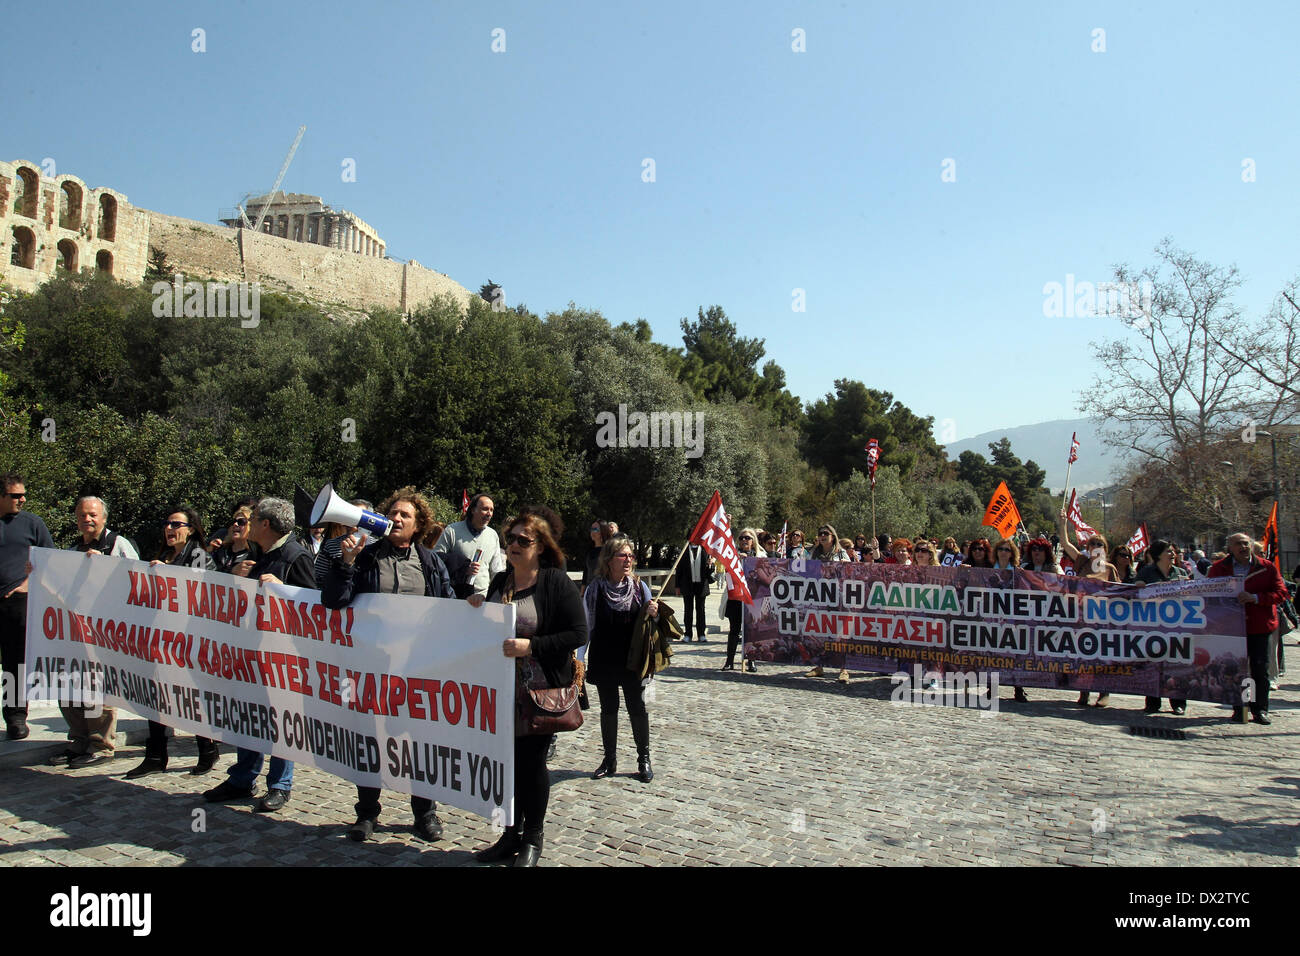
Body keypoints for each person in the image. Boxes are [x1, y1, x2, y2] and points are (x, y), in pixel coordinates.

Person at [322, 487, 454, 841]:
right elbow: (333, 600)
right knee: (371, 740)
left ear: (418, 525)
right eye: (392, 513)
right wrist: (346, 563)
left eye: (405, 516)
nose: (397, 519)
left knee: (419, 743)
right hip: (372, 668)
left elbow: (448, 607)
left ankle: (424, 813)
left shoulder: (430, 562)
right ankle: (366, 814)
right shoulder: (365, 557)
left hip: (416, 669)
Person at [469, 508, 587, 866]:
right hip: (500, 690)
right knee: (507, 764)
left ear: (540, 546)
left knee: (532, 763)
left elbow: (578, 633)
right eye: (511, 539)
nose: (515, 545)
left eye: (524, 540)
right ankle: (509, 835)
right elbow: (484, 630)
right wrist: (475, 606)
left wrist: (531, 646)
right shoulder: (500, 581)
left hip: (538, 692)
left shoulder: (554, 582)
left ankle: (533, 838)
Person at [203, 497, 316, 812]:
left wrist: (284, 589)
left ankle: (280, 784)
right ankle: (242, 778)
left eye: (252, 519)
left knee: (281, 720)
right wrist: (233, 575)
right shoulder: (255, 554)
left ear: (266, 524)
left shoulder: (297, 556)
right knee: (248, 715)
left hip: (283, 656)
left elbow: (315, 608)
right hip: (250, 650)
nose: (246, 524)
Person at [127, 507, 219, 777]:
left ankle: (207, 747)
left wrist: (169, 576)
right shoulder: (163, 555)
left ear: (191, 529)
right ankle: (156, 755)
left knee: (190, 696)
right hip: (161, 637)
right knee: (154, 695)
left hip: (189, 638)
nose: (170, 528)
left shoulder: (200, 556)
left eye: (176, 524)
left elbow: (205, 590)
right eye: (167, 523)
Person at [50, 496, 139, 767]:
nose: (86, 519)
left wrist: (105, 566)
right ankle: (79, 740)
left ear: (104, 518)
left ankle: (101, 745)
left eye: (92, 515)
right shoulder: (73, 549)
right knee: (68, 684)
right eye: (81, 515)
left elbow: (137, 582)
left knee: (98, 689)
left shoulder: (118, 544)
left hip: (105, 632)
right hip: (74, 631)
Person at [583, 535, 658, 783]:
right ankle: (609, 759)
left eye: (630, 556)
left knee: (637, 707)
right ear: (609, 559)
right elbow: (587, 625)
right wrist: (579, 658)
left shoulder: (639, 588)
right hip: (604, 656)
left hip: (632, 658)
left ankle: (643, 758)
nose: (628, 560)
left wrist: (653, 613)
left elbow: (651, 625)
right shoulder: (595, 589)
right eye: (623, 555)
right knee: (608, 709)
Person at [1208, 533, 1287, 726]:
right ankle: (1240, 709)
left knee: (1260, 670)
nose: (1243, 547)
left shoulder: (1266, 567)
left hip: (1259, 626)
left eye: (1245, 543)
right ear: (1230, 548)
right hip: (1232, 628)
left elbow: (1281, 593)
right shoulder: (1219, 569)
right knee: (1237, 671)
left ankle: (1260, 709)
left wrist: (1256, 598)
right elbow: (1208, 594)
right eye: (1238, 544)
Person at [1, 474, 54, 740]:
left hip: (16, 604)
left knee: (15, 664)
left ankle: (15, 716)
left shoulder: (33, 524)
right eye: (16, 495)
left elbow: (49, 562)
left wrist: (26, 585)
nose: (22, 499)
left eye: (24, 495)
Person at [1136, 540, 1189, 715]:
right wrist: (1139, 588)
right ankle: (1152, 701)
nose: (1172, 554)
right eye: (1168, 551)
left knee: (1177, 666)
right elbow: (1134, 595)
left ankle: (1178, 702)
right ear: (1158, 554)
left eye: (1173, 551)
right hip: (1153, 627)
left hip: (1177, 627)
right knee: (1153, 666)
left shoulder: (1181, 573)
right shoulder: (1146, 572)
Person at [432, 493, 505, 599]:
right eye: (485, 509)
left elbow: (496, 570)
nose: (489, 513)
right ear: (472, 510)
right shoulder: (452, 531)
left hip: (483, 597)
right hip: (457, 597)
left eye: (491, 510)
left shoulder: (492, 535)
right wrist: (462, 568)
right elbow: (436, 560)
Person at [805, 524, 850, 682]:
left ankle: (844, 669)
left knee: (840, 633)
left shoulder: (840, 552)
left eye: (826, 533)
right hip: (819, 595)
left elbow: (850, 572)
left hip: (838, 597)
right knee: (819, 632)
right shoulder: (814, 553)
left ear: (833, 535)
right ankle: (819, 666)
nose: (822, 536)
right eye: (820, 533)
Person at [725, 529, 764, 672]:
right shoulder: (732, 555)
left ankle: (751, 661)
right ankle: (729, 661)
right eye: (741, 538)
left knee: (751, 631)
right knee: (734, 630)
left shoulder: (760, 556)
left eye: (747, 538)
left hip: (753, 599)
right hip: (736, 598)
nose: (744, 541)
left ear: (753, 540)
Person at [674, 540, 712, 643]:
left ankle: (701, 634)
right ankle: (688, 634)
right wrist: (677, 586)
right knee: (688, 610)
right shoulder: (684, 551)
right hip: (687, 585)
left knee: (701, 610)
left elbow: (709, 570)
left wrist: (710, 565)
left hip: (701, 585)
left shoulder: (705, 550)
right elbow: (679, 569)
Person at [211, 504, 257, 574]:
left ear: (251, 526)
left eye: (241, 522)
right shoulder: (220, 550)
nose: (235, 524)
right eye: (233, 521)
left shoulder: (255, 555)